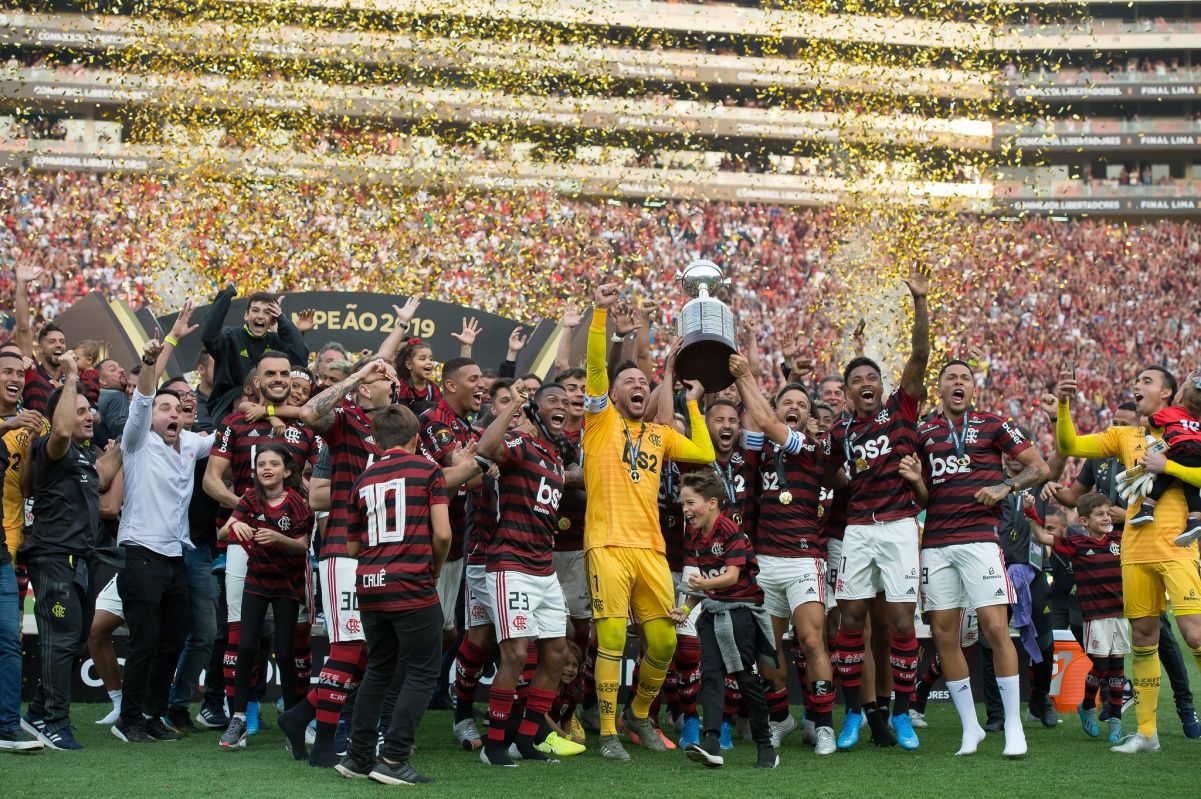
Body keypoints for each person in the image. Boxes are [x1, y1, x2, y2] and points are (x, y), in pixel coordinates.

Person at [583, 282, 715, 761]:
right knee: (614, 637)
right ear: (612, 395)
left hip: (651, 549)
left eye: (643, 382)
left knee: (662, 641)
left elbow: (702, 452)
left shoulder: (660, 435)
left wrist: (693, 404)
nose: (637, 387)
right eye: (629, 384)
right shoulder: (599, 423)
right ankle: (608, 732)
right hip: (606, 544)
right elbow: (597, 367)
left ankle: (638, 711)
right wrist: (599, 314)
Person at [901, 358, 1048, 757]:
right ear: (942, 388)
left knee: (996, 629)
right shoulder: (925, 431)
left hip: (981, 540)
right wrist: (916, 482)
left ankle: (1014, 727)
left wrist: (1005, 487)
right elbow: (925, 498)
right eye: (952, 378)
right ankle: (972, 728)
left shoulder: (993, 424)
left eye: (965, 377)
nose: (959, 383)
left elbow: (1040, 467)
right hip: (935, 542)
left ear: (972, 388)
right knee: (945, 636)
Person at [1055, 365, 1201, 753]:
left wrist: (1165, 466)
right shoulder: (1125, 435)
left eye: (1147, 382)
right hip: (1134, 550)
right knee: (1142, 640)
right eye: (1136, 380)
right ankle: (1147, 734)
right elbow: (1069, 446)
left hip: (1177, 546)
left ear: (1167, 394)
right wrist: (1065, 407)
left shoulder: (1188, 429)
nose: (1137, 385)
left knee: (1195, 634)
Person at [825, 265, 929, 751]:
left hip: (899, 528)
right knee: (850, 622)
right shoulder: (840, 433)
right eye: (856, 380)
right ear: (847, 394)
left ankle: (904, 714)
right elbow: (831, 475)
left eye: (873, 377)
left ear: (883, 386)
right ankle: (854, 715)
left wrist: (920, 302)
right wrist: (848, 479)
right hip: (857, 533)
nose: (865, 383)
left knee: (902, 623)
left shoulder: (900, 411)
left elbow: (921, 355)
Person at [203, 350, 321, 735]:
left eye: (285, 373)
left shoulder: (306, 428)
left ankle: (296, 710)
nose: (279, 379)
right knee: (241, 634)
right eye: (270, 373)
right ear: (256, 381)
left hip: (293, 542)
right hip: (244, 542)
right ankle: (246, 708)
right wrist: (250, 510)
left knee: (297, 638)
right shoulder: (233, 422)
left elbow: (315, 486)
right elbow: (211, 480)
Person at [335, 405, 450, 786]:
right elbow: (444, 534)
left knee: (379, 669)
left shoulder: (363, 479)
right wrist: (432, 570)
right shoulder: (428, 469)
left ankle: (357, 758)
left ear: (377, 441)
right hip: (411, 584)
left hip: (370, 586)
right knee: (422, 671)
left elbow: (351, 546)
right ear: (416, 439)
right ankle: (395, 759)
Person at [730, 356, 837, 756]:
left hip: (803, 559)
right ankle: (781, 720)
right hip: (765, 561)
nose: (793, 409)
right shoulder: (761, 448)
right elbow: (756, 424)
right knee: (767, 651)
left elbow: (768, 423)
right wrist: (744, 384)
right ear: (776, 409)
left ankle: (824, 725)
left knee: (811, 640)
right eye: (786, 403)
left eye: (802, 405)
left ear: (810, 417)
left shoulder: (810, 447)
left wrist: (745, 377)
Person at [112, 327, 214, 745]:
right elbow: (141, 399)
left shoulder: (188, 443)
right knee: (145, 641)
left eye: (177, 408)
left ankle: (152, 714)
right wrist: (161, 350)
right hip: (141, 555)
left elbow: (223, 437)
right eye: (163, 407)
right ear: (150, 414)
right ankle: (128, 719)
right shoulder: (136, 441)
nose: (171, 413)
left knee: (172, 640)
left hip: (175, 558)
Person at [19, 351, 118, 750]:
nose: (88, 416)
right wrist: (72, 377)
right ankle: (55, 722)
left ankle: (40, 709)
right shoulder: (50, 447)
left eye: (90, 410)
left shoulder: (82, 458)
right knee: (60, 638)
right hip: (54, 558)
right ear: (61, 413)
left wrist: (127, 444)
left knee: (74, 636)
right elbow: (59, 432)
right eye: (79, 411)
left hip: (79, 559)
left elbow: (107, 472)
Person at [476, 382, 574, 766]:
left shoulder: (555, 458)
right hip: (510, 564)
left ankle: (526, 739)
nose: (562, 405)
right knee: (515, 653)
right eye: (553, 400)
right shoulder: (521, 443)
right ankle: (494, 745)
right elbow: (486, 450)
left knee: (556, 655)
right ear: (535, 409)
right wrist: (513, 405)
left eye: (567, 402)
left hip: (543, 567)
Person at [674, 470, 778, 770]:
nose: (686, 510)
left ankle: (765, 746)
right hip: (712, 612)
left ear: (712, 503)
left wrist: (700, 589)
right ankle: (711, 743)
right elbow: (705, 580)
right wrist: (687, 607)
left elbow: (731, 577)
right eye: (683, 504)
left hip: (741, 614)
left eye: (690, 503)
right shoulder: (694, 534)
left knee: (746, 681)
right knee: (710, 676)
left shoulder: (730, 530)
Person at [218, 445, 313, 749]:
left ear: (287, 471)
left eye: (274, 464)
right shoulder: (249, 498)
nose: (267, 468)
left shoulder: (297, 502)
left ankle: (294, 720)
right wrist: (238, 525)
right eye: (261, 464)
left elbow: (303, 546)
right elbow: (222, 534)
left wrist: (278, 538)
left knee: (285, 653)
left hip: (287, 585)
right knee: (246, 647)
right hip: (256, 582)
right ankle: (239, 718)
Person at [1030, 492, 1128, 744]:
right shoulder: (1077, 545)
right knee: (1102, 666)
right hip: (1094, 617)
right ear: (1084, 521)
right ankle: (1087, 706)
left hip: (1119, 614)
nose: (1106, 518)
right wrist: (1030, 513)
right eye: (1100, 514)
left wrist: (1127, 515)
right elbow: (1041, 536)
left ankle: (1115, 721)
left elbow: (1146, 529)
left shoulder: (1120, 538)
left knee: (1118, 668)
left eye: (1108, 513)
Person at [200, 285, 310, 423]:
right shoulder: (230, 337)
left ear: (272, 319)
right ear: (246, 315)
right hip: (229, 409)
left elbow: (300, 359)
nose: (260, 316)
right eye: (255, 310)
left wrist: (282, 320)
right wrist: (226, 295)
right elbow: (208, 336)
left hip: (270, 409)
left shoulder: (277, 342)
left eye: (267, 312)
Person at [1130, 372, 1201, 546]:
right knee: (1191, 488)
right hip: (1198, 453)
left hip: (1180, 449)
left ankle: (1147, 507)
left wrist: (1143, 419)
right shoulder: (1197, 419)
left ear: (1180, 397)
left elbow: (1149, 422)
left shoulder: (1173, 411)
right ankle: (1195, 520)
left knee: (1163, 475)